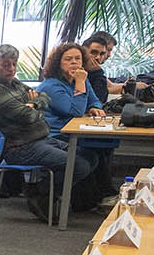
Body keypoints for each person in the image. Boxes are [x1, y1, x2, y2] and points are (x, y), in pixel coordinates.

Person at [0, 44, 87, 223]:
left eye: (14, 64)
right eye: (6, 65)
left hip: (38, 139)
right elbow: (28, 116)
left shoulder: (12, 82)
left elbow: (44, 97)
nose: (11, 69)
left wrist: (34, 103)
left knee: (89, 156)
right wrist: (34, 105)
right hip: (19, 147)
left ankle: (39, 191)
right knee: (78, 164)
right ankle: (41, 194)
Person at [37, 42, 113, 187]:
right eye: (68, 59)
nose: (74, 62)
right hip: (54, 134)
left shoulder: (81, 80)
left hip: (73, 132)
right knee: (89, 156)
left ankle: (91, 197)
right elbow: (75, 112)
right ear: (58, 63)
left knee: (100, 151)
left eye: (77, 59)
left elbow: (95, 100)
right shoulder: (51, 86)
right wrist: (80, 82)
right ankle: (43, 190)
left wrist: (95, 107)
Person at [81, 31, 123, 99]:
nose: (98, 57)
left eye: (101, 54)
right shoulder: (76, 71)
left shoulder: (94, 71)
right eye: (94, 52)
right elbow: (98, 97)